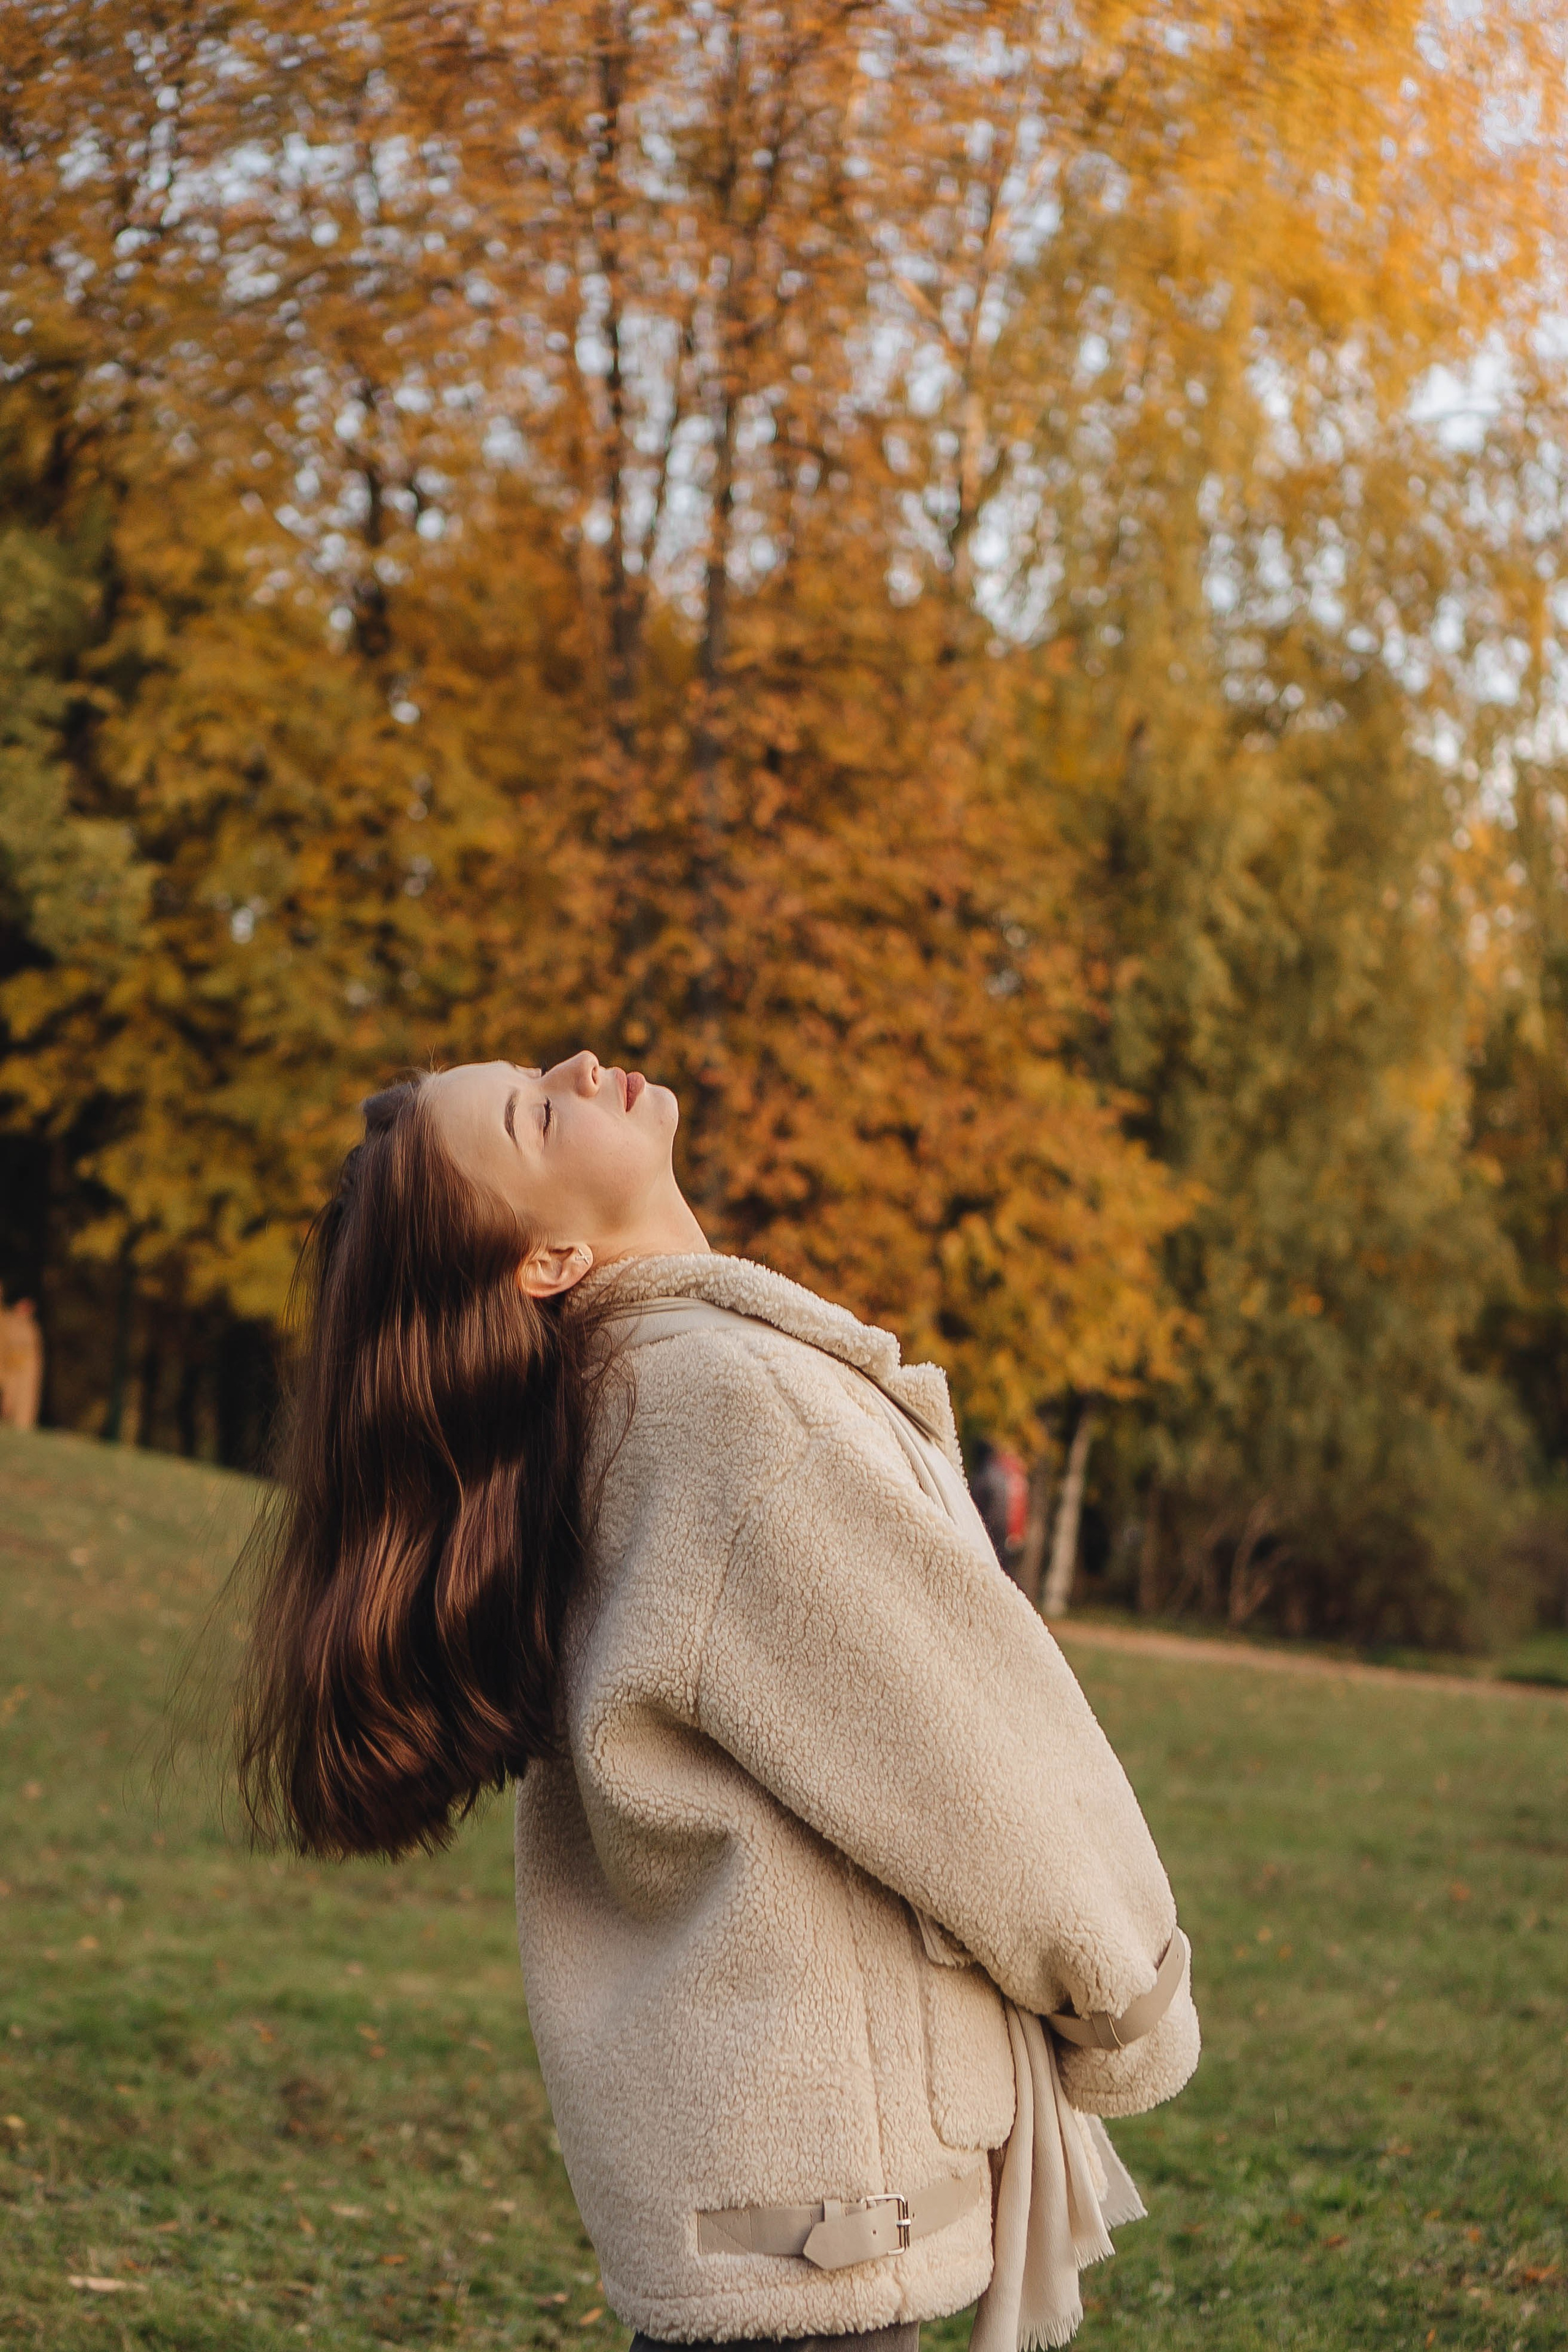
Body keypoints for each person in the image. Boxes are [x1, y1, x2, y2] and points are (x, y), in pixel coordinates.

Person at [236, 1052, 1200, 2352]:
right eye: (535, 1111)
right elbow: (966, 1745)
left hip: (753, 2167)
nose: (577, 1067)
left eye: (535, 1071)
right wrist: (1127, 1996)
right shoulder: (722, 1403)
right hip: (814, 2193)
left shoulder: (637, 1399)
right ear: (548, 1260)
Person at [0, 1294, 43, 1429]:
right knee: (9, 1403)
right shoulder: (8, 1321)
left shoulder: (32, 1328)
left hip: (24, 1375)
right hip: (11, 1372)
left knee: (24, 1406)